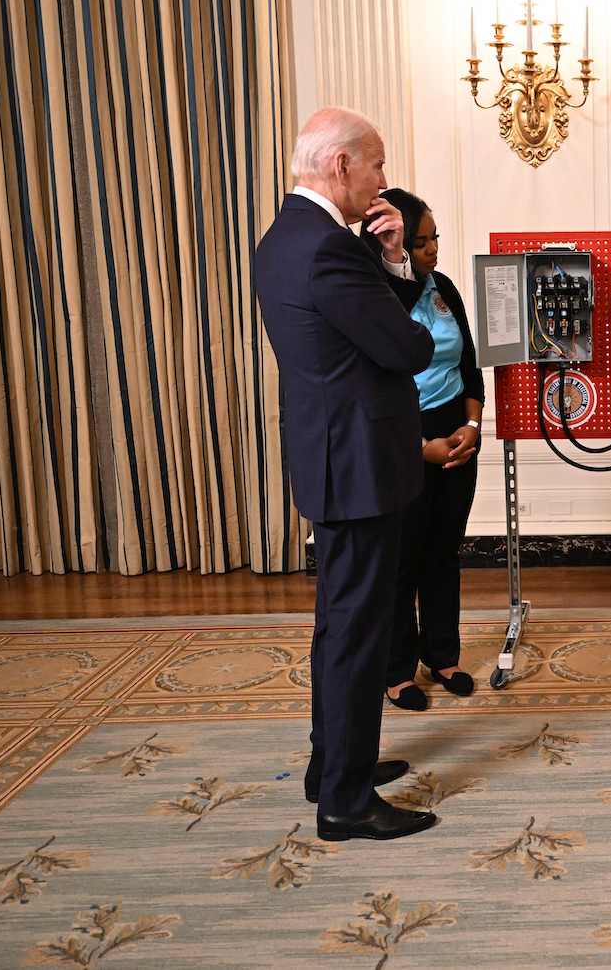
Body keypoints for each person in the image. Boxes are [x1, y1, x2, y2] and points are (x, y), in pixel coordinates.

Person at [252, 107, 439, 842]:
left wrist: (391, 259)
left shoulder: (287, 237)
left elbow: (364, 329)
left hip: (334, 458)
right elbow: (407, 349)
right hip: (360, 464)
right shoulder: (327, 249)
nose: (384, 180)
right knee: (359, 631)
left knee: (339, 626)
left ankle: (331, 765)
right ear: (341, 167)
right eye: (378, 165)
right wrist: (399, 279)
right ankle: (345, 801)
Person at [359, 188, 484, 711]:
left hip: (456, 435)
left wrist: (473, 426)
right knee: (401, 560)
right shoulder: (372, 297)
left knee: (442, 551)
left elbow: (470, 366)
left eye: (436, 238)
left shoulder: (445, 289)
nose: (434, 249)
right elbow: (366, 387)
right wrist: (419, 449)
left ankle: (443, 654)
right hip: (402, 438)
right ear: (397, 243)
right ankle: (396, 669)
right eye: (423, 240)